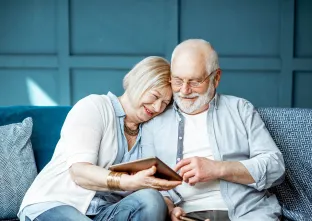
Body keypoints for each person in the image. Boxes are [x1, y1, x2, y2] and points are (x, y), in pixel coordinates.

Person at [18, 56, 182, 221]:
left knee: (151, 199)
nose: (157, 107)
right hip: (56, 203)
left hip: (105, 212)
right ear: (138, 82)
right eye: (155, 96)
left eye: (165, 103)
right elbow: (79, 172)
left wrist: (169, 208)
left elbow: (155, 187)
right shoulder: (94, 106)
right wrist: (128, 181)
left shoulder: (149, 131)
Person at [141, 39, 285, 221]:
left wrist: (217, 169)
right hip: (188, 215)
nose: (184, 90)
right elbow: (149, 182)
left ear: (216, 78)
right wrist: (169, 208)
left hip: (247, 212)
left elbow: (275, 167)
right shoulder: (154, 121)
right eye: (177, 80)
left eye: (195, 81)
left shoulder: (241, 109)